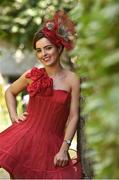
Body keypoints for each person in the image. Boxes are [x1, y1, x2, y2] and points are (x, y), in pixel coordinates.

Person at [0, 10, 83, 179]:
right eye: (39, 51)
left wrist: (64, 149)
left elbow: (74, 117)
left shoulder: (72, 79)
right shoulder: (33, 74)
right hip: (24, 138)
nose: (43, 54)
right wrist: (14, 116)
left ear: (59, 48)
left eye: (48, 48)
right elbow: (10, 92)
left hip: (52, 146)